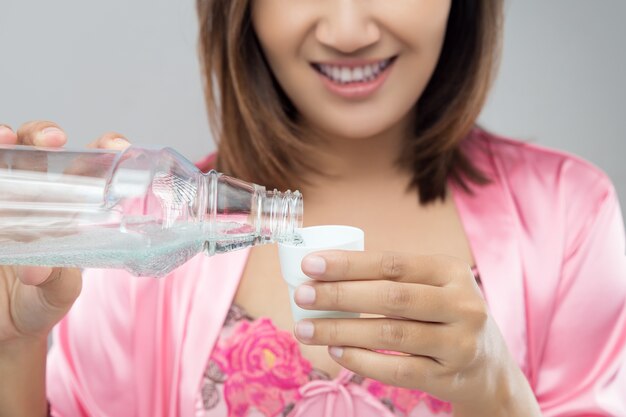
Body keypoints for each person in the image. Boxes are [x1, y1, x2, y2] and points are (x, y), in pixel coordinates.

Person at [1, 1, 625, 416]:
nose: (348, 32)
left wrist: (497, 392)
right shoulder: (144, 238)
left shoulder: (569, 217)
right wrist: (12, 349)